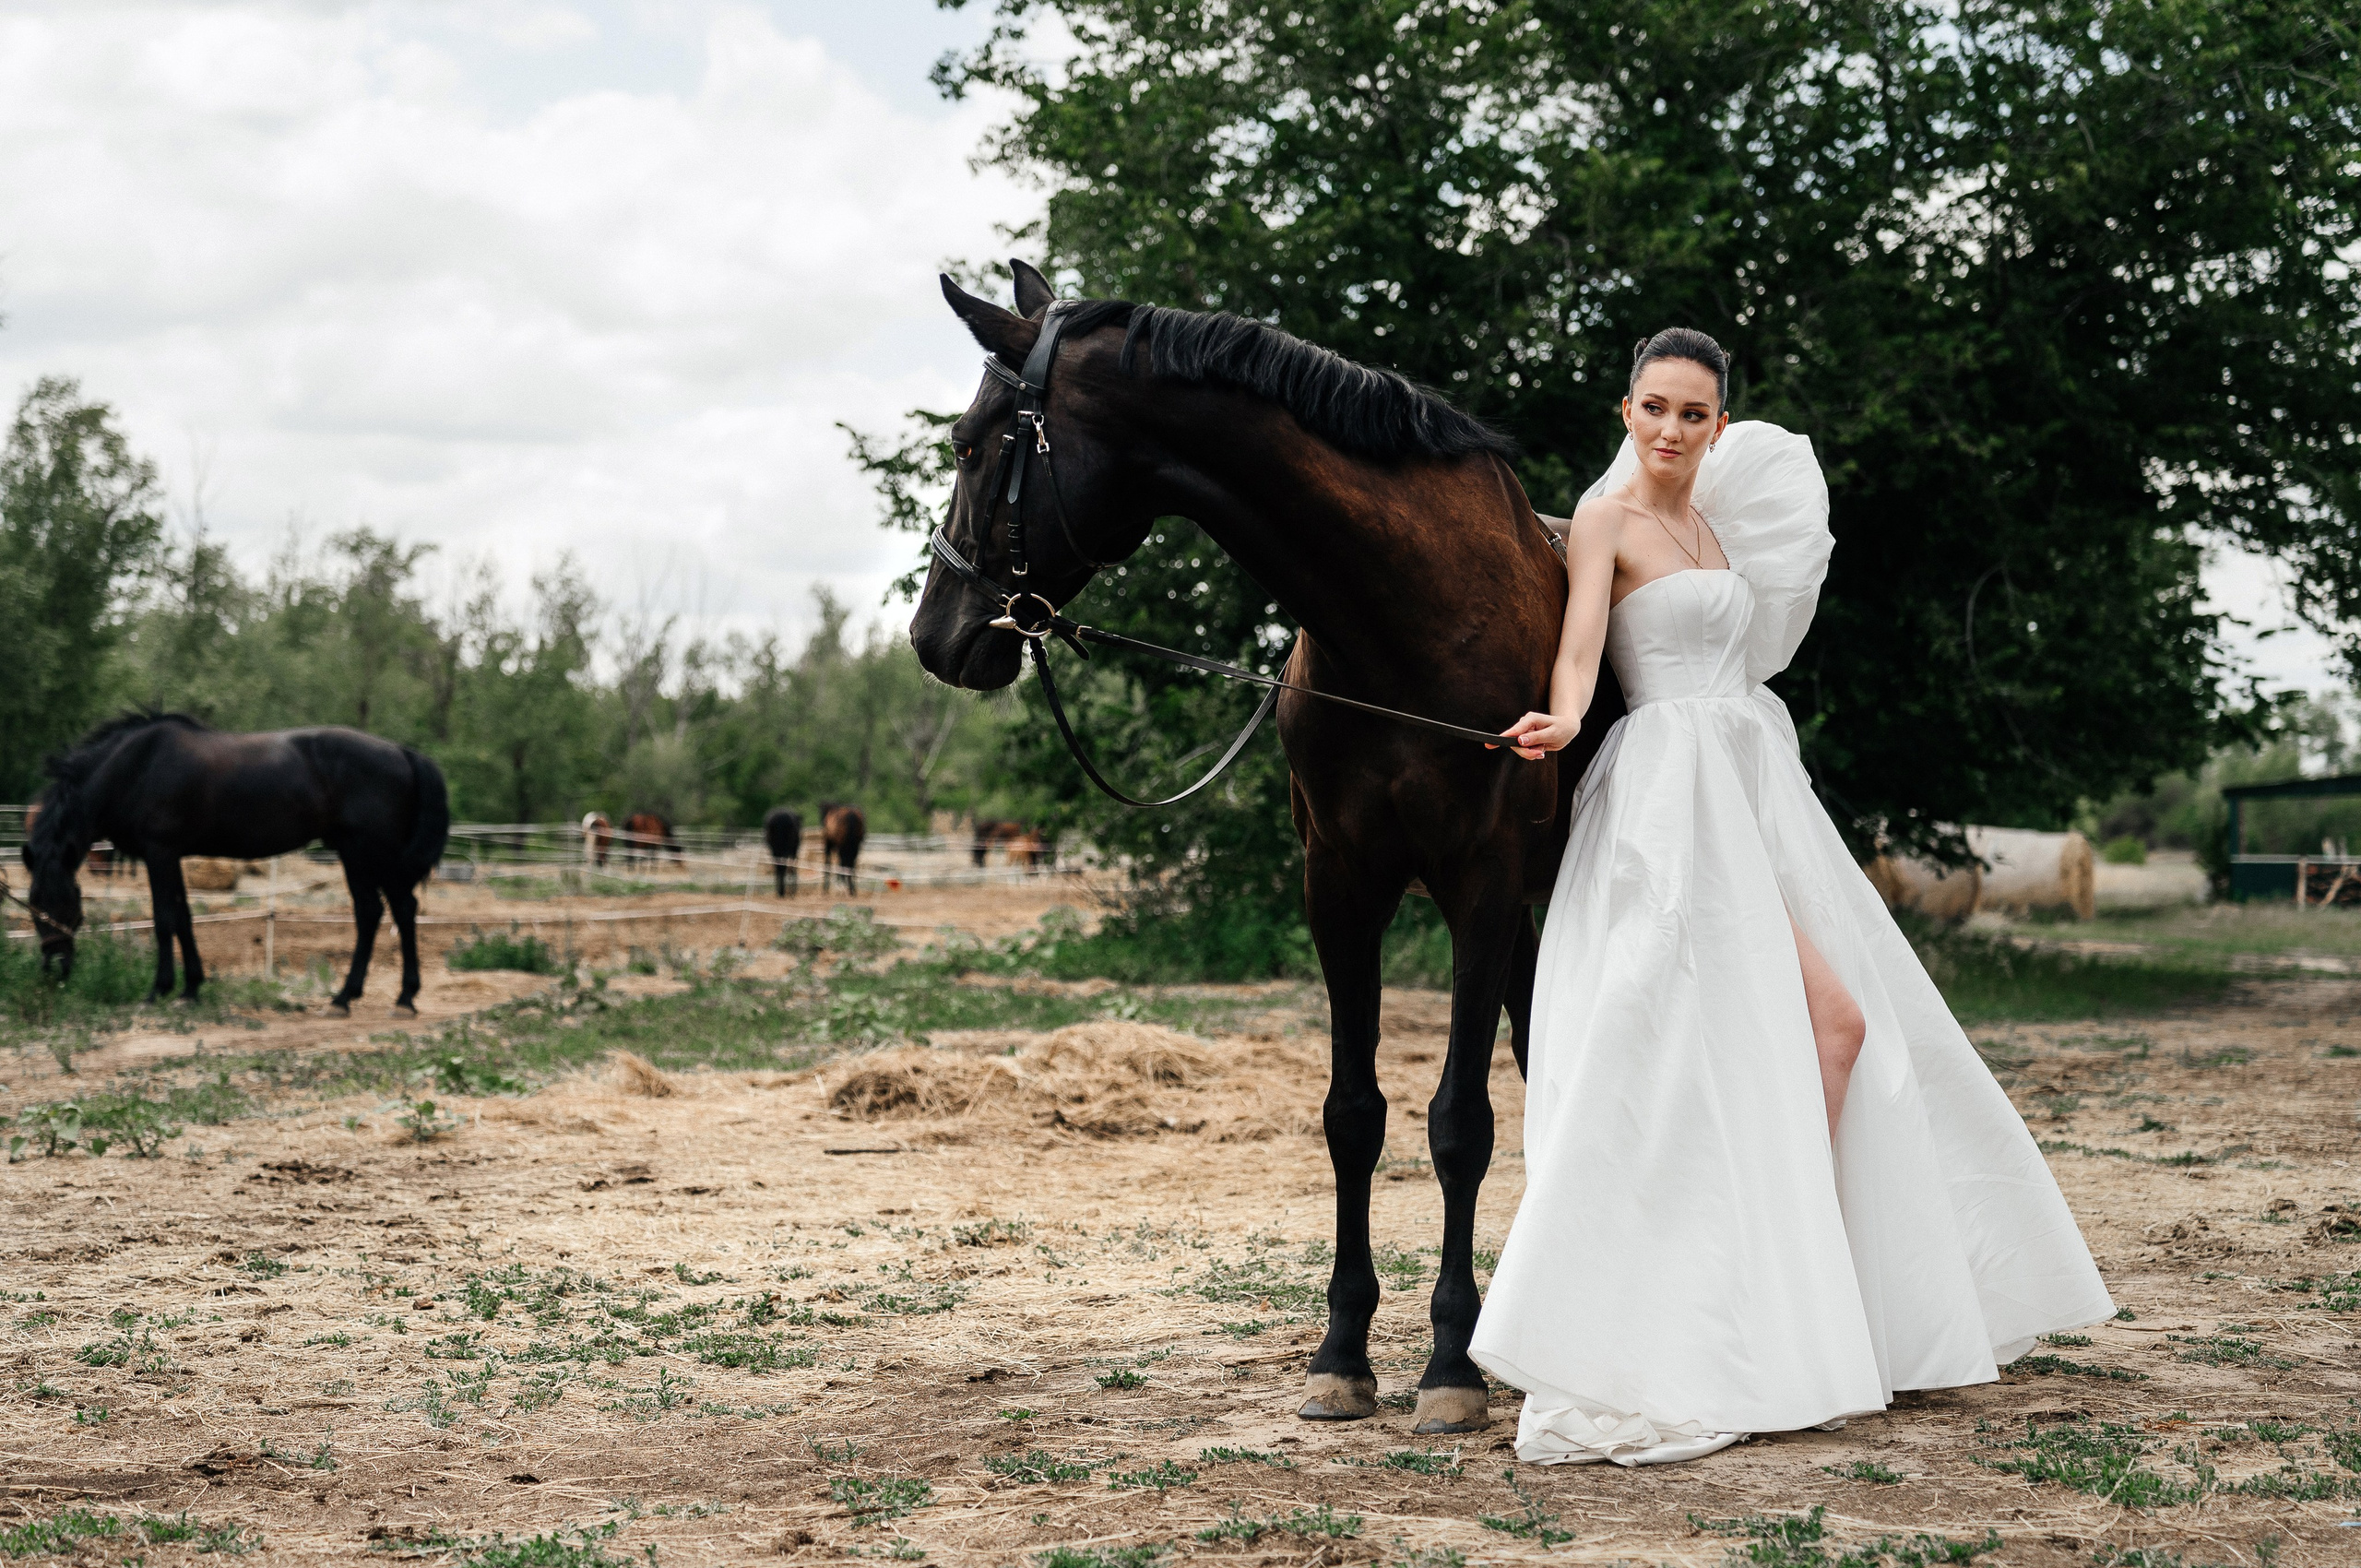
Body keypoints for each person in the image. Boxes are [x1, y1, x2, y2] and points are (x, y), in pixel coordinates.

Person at [1468, 330, 2112, 1467]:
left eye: (1695, 413)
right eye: (1656, 407)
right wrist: (1564, 719)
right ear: (1626, 410)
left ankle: (1794, 1289)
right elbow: (1579, 654)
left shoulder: (1719, 526)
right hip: (1668, 797)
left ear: (1720, 423)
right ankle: (1704, 1301)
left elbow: (1750, 655)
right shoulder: (1603, 522)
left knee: (1839, 1025)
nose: (1672, 430)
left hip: (1753, 791)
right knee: (1670, 1053)